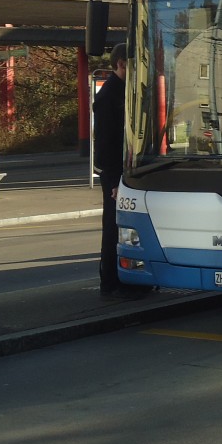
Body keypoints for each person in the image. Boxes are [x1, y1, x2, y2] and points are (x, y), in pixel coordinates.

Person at [92, 44, 147, 301]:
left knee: (126, 227)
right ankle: (111, 281)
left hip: (125, 172)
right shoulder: (109, 97)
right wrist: (114, 180)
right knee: (113, 228)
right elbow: (105, 144)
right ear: (122, 64)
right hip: (115, 175)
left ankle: (128, 278)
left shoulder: (124, 92)